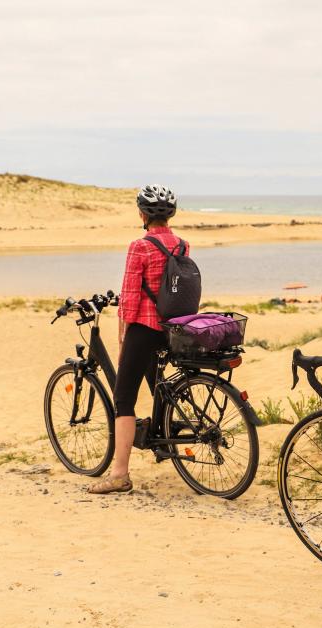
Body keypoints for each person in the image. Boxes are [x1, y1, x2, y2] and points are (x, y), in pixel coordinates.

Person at [89, 184, 188, 494]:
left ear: (143, 215)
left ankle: (119, 474)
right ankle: (164, 437)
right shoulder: (183, 245)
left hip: (144, 329)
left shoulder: (140, 247)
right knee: (156, 383)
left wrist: (122, 335)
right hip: (171, 329)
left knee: (123, 400)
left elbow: (130, 298)